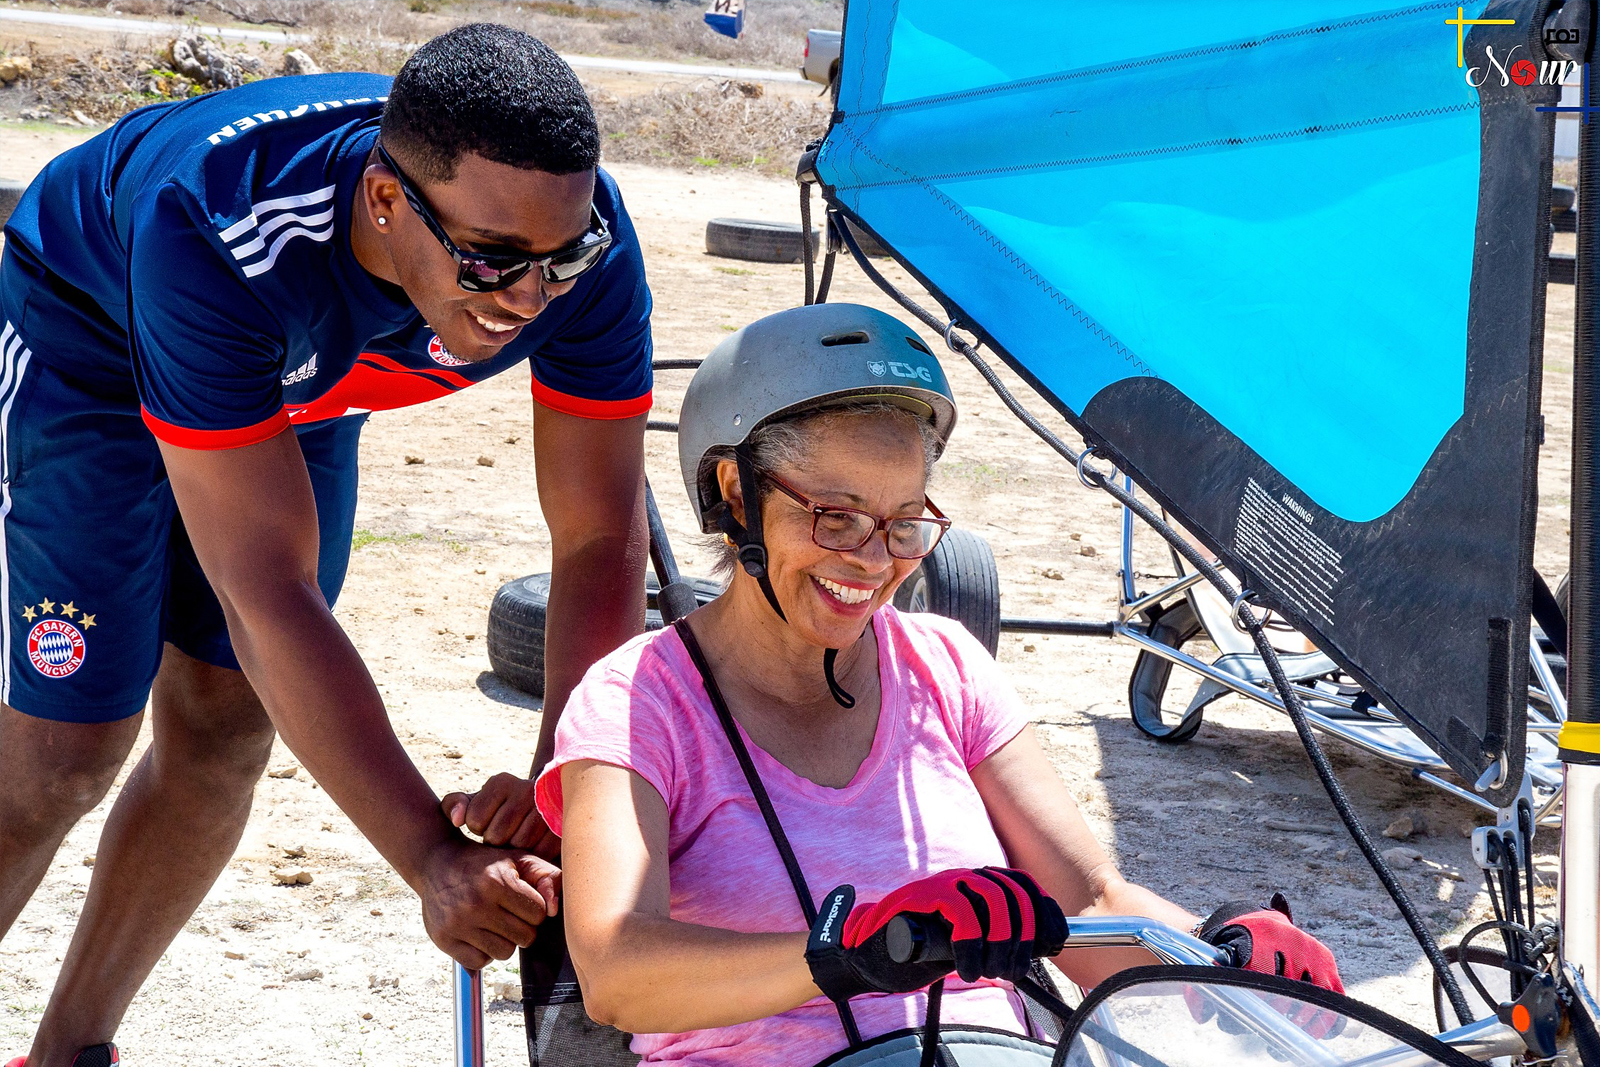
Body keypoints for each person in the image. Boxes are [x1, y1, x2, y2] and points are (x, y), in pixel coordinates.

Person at [447, 304, 1344, 1066]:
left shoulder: (947, 667)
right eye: (835, 518)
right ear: (731, 490)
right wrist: (849, 949)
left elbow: (1093, 904)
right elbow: (614, 969)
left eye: (905, 523)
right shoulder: (638, 699)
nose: (873, 562)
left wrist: (1222, 949)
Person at [0, 24, 653, 1067]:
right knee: (64, 754)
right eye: (493, 262)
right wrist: (431, 855)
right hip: (98, 335)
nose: (531, 300)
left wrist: (559, 793)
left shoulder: (583, 253)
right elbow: (263, 587)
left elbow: (595, 541)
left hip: (294, 368)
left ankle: (66, 1052)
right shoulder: (217, 221)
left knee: (225, 725)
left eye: (558, 258)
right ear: (387, 202)